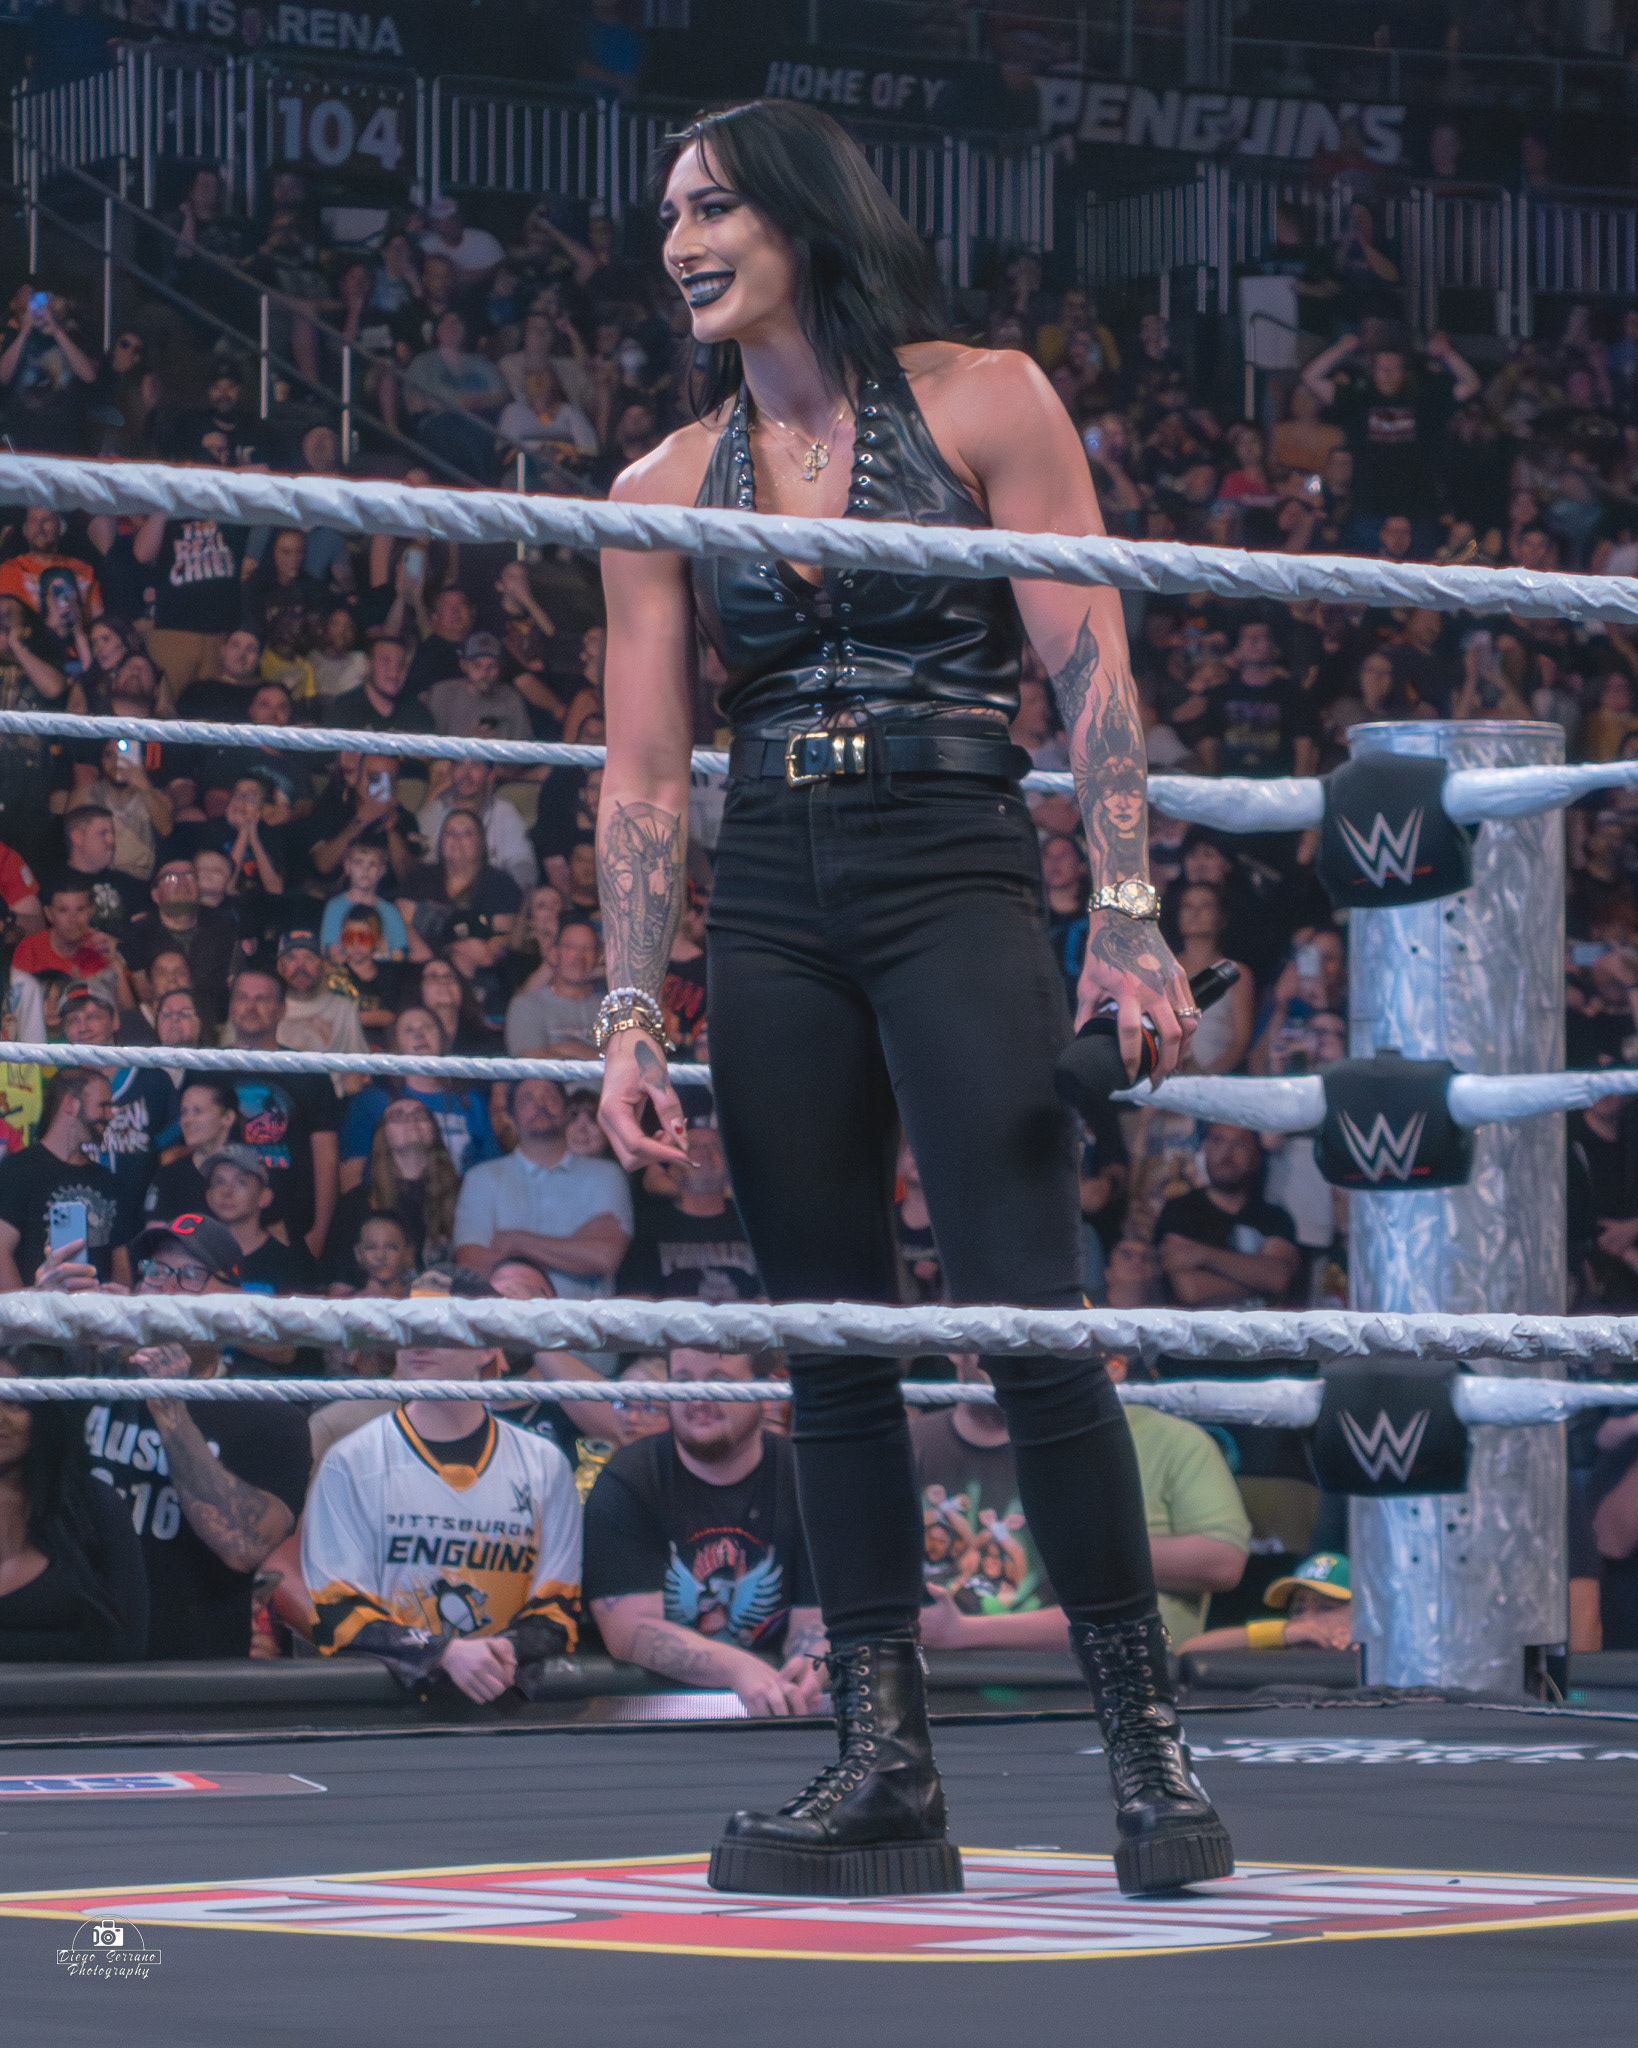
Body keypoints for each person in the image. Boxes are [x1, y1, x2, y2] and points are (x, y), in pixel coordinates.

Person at [594, 100, 1224, 1898]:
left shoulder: (984, 400)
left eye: (712, 206)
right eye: (666, 215)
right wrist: (627, 1006)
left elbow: (1090, 665)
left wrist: (1124, 910)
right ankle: (883, 1763)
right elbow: (644, 768)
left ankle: (1146, 1750)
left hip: (951, 854)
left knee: (1027, 1310)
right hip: (774, 887)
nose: (679, 241)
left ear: (803, 215)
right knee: (831, 1337)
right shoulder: (654, 489)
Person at [301, 1306, 582, 1698]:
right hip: (387, 1708)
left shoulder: (544, 1464)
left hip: (506, 1702)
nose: (419, 1344)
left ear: (487, 1348)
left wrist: (497, 1654)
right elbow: (336, 1611)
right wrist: (443, 1653)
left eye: (439, 1330)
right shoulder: (351, 1460)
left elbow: (558, 1608)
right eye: (410, 1329)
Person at [914, 1354, 1248, 1654]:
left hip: (1084, 1667)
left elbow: (1223, 1562)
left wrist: (1074, 1548)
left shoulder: (1166, 1441)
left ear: (1114, 1365)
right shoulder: (923, 1440)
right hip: (945, 1664)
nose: (1017, 1358)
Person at [586, 1349, 825, 1716]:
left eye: (719, 1381)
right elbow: (627, 1629)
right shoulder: (630, 1478)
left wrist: (811, 1667)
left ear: (766, 1391)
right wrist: (736, 1668)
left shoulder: (806, 1477)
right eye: (683, 1382)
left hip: (786, 1711)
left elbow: (816, 1620)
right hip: (657, 1714)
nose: (698, 1398)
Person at [83, 1289, 309, 1659]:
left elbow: (244, 1547)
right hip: (75, 1642)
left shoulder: (268, 1416)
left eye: (190, 1276)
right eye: (156, 1270)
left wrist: (171, 1410)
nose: (166, 1292)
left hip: (192, 1658)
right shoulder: (88, 1377)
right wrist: (47, 1315)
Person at [0, 1344, 148, 1662]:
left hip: (69, 1695)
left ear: (48, 1414)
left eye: (16, 1403)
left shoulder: (95, 1508)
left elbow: (125, 1643)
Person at [455, 1075, 632, 1294]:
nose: (540, 1104)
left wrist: (515, 1241)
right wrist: (575, 1248)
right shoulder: (481, 1177)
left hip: (585, 1315)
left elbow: (605, 1257)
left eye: (550, 1096)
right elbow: (472, 1265)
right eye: (528, 1098)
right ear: (510, 1115)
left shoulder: (606, 1175)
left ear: (566, 1111)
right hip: (506, 1314)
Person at [221, 966, 342, 1259]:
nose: (251, 1006)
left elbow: (326, 1156)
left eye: (261, 999)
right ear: (231, 1007)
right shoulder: (205, 1065)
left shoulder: (308, 1070)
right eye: (242, 997)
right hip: (220, 1228)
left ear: (281, 1010)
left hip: (293, 1228)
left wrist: (319, 1232)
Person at [338, 1007, 500, 1189]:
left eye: (427, 1027)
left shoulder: (470, 1100)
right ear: (396, 1045)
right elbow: (352, 1174)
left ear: (441, 1038)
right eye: (409, 1030)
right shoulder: (373, 1102)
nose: (419, 1034)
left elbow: (493, 1167)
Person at [0, 1068, 123, 1287]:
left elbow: (120, 1261)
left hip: (99, 1307)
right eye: (103, 1105)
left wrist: (120, 1306)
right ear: (70, 1103)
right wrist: (25, 1307)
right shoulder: (17, 1170)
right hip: (38, 1306)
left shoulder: (107, 1180)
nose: (110, 1115)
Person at [1157, 1124, 1301, 1309]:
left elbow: (1278, 1278)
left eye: (1240, 1143)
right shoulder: (1179, 1210)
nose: (1226, 1153)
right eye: (1218, 1141)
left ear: (1256, 1155)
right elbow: (1190, 1289)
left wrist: (1202, 1254)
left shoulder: (1276, 1217)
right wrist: (1261, 1282)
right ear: (1205, 1148)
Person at [620, 1119, 760, 1303]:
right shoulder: (651, 1227)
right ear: (673, 1166)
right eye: (693, 1147)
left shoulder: (755, 1225)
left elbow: (777, 1299)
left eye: (715, 1147)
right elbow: (637, 1300)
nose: (705, 1153)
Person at [1178, 1551, 1353, 1657]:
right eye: (1299, 1610)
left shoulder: (1368, 1657)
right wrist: (1280, 1633)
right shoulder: (1282, 1645)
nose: (1307, 1620)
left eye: (1325, 1607)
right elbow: (1186, 1651)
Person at [417, 758, 537, 890]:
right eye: (460, 764)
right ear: (451, 771)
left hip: (494, 895)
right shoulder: (432, 813)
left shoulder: (504, 811)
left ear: (490, 775)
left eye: (475, 764)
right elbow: (422, 869)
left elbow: (522, 864)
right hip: (441, 896)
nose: (466, 773)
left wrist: (510, 892)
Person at [504, 916, 603, 1056]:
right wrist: (596, 1055)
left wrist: (566, 1049)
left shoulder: (610, 1008)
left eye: (588, 948)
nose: (579, 956)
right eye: (570, 947)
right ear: (554, 954)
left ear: (599, 956)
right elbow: (532, 1060)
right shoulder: (527, 1005)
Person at [145, 1077, 239, 1223]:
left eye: (197, 1111)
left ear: (228, 1118)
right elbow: (155, 1233)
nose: (187, 1120)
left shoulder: (251, 1174)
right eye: (184, 1112)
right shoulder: (168, 1177)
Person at [269, 928, 369, 1063]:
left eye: (309, 958)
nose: (300, 966)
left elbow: (358, 1066)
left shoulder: (343, 1008)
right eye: (291, 958)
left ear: (324, 965)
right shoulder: (267, 1006)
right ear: (280, 966)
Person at [325, 634, 435, 738]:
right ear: (369, 664)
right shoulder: (344, 710)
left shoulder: (418, 714)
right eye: (385, 662)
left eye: (401, 664)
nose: (393, 673)